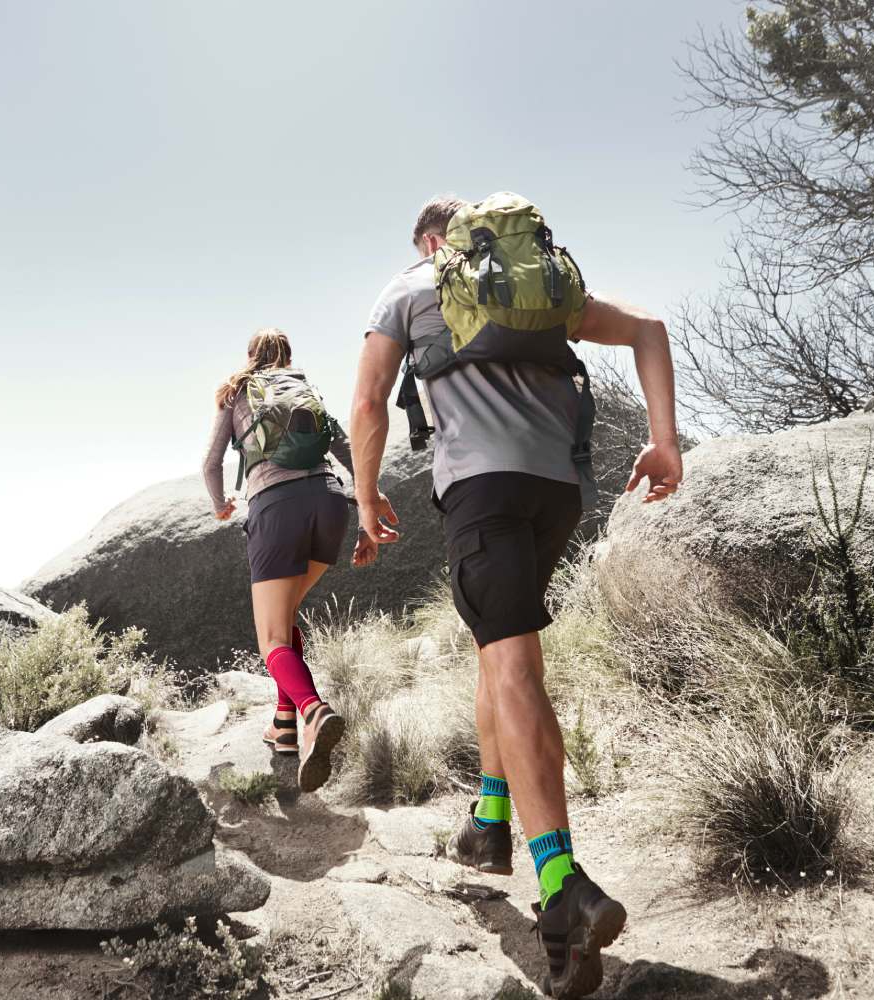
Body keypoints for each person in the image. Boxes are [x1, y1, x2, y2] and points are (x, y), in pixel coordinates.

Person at [349, 197, 683, 998]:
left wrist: (364, 496)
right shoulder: (545, 287)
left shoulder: (410, 285)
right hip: (556, 492)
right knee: (494, 654)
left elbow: (365, 402)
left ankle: (562, 882)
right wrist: (664, 439)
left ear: (433, 241)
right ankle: (491, 822)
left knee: (516, 671)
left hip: (483, 491)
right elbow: (649, 330)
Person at [203, 327, 352, 793]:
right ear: (288, 357)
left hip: (277, 508)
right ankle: (283, 725)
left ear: (251, 356)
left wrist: (220, 504)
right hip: (330, 505)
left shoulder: (237, 392)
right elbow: (347, 448)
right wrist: (370, 501)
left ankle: (312, 711)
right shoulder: (305, 390)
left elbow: (210, 463)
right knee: (285, 619)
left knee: (271, 639)